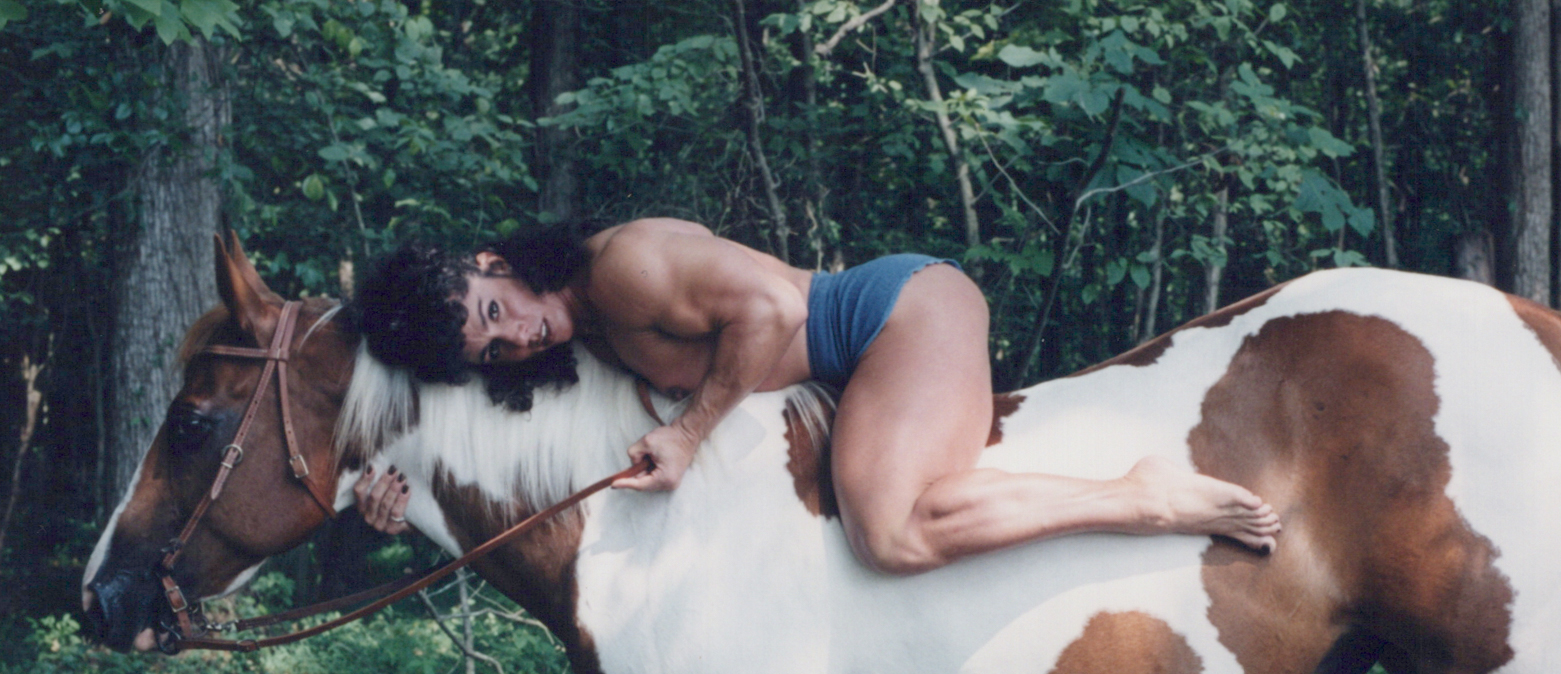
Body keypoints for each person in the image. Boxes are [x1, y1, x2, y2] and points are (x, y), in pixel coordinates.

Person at [352, 219, 1280, 574]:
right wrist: (388, 484)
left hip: (894, 314)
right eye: (494, 349)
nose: (517, 337)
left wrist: (690, 433)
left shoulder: (623, 268)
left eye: (495, 311)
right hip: (868, 347)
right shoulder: (584, 327)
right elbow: (480, 433)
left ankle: (1143, 497)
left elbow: (774, 308)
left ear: (495, 261)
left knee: (893, 533)